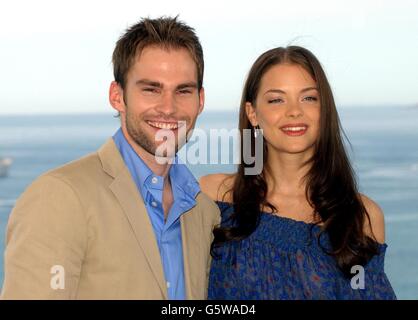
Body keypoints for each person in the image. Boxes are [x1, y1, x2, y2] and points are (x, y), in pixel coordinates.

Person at [1, 16, 220, 299]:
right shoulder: (60, 197)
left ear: (200, 101)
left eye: (183, 91)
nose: (169, 108)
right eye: (151, 89)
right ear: (117, 96)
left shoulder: (203, 211)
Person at [200, 46, 397, 299]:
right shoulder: (213, 197)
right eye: (276, 99)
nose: (294, 111)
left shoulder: (362, 215)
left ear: (323, 109)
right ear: (252, 113)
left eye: (309, 98)